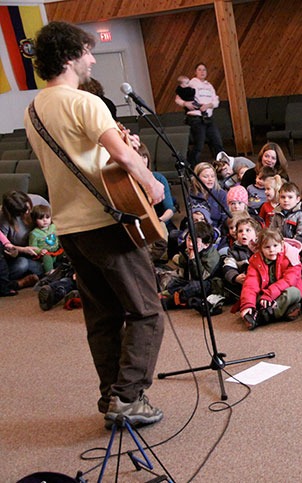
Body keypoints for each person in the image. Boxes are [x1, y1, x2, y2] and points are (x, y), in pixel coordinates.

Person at [24, 21, 165, 427]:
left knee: (102, 317)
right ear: (70, 57)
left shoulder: (33, 110)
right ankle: (129, 397)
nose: (91, 58)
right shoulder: (86, 102)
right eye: (86, 51)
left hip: (69, 227)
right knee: (146, 311)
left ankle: (110, 399)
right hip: (105, 223)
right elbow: (121, 157)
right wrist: (152, 182)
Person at [239, 229, 302, 330]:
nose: (271, 250)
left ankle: (263, 317)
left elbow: (289, 281)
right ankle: (284, 311)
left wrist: (269, 295)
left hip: (282, 291)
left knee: (294, 292)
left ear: (281, 245)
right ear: (260, 248)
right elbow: (250, 284)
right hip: (266, 295)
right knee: (254, 298)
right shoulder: (255, 261)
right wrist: (247, 305)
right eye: (267, 247)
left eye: (275, 246)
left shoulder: (292, 257)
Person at [175, 62, 223, 165]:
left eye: (204, 70)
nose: (202, 72)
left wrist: (208, 105)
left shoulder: (209, 86)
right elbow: (178, 98)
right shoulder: (192, 83)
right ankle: (192, 167)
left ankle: (222, 166)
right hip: (196, 118)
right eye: (199, 70)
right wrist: (185, 103)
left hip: (208, 117)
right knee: (199, 145)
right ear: (195, 72)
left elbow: (216, 102)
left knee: (217, 142)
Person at [0, 191, 45, 284]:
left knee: (45, 267)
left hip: (43, 250)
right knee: (22, 264)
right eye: (23, 212)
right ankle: (16, 282)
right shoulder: (4, 218)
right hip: (20, 256)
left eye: (28, 208)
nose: (28, 212)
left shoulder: (38, 200)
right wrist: (23, 250)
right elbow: (5, 245)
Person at [222, 217, 261, 300]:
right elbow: (228, 266)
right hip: (244, 281)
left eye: (248, 230)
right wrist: (236, 277)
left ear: (256, 234)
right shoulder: (234, 251)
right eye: (240, 231)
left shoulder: (261, 247)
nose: (243, 233)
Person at [188, 161, 229, 231]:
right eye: (206, 176)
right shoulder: (192, 194)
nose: (210, 179)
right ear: (197, 178)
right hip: (197, 230)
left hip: (217, 230)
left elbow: (225, 219)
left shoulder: (221, 194)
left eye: (212, 176)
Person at [28, 204, 60, 274]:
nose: (45, 220)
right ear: (35, 220)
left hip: (57, 251)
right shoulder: (34, 233)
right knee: (46, 257)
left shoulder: (53, 227)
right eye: (41, 218)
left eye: (47, 217)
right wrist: (40, 251)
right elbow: (32, 248)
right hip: (45, 255)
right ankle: (50, 272)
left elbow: (59, 236)